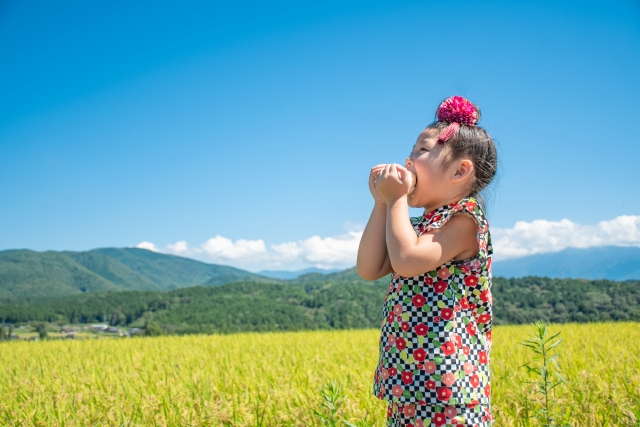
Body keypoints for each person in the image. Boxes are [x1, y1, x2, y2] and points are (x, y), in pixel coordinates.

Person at [356, 96, 497, 427]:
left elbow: (406, 260)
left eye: (422, 150)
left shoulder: (466, 220)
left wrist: (396, 199)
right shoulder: (416, 227)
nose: (409, 159)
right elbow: (369, 268)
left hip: (450, 389)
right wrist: (382, 204)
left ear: (460, 171)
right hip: (408, 384)